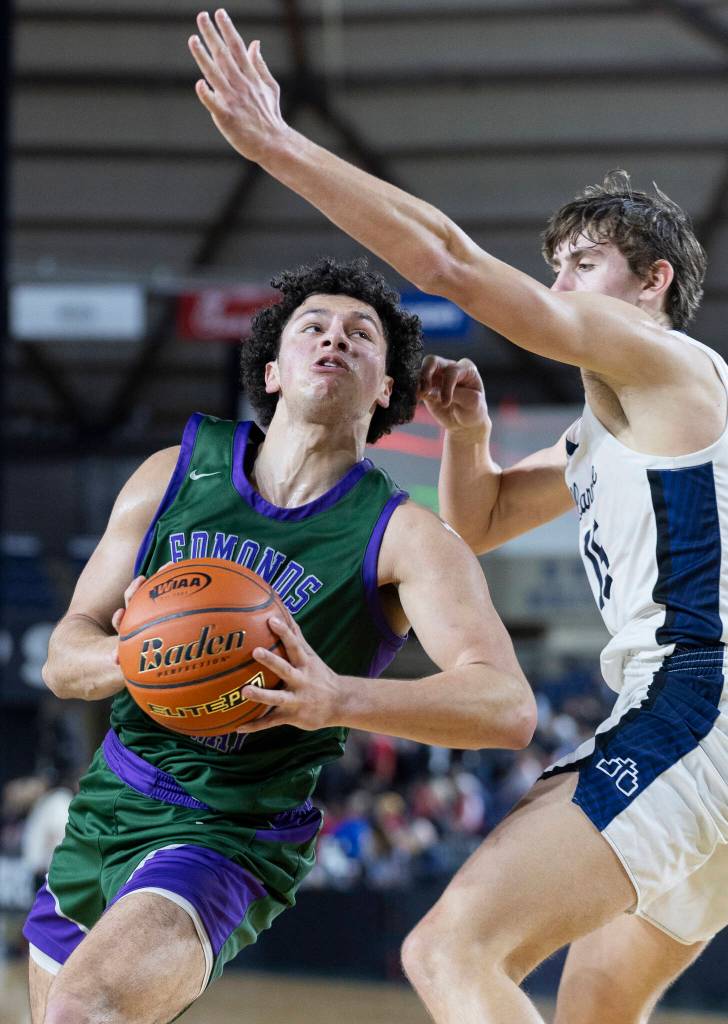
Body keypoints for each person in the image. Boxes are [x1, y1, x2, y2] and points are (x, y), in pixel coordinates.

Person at [188, 10, 728, 1022]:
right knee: (590, 1012)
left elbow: (444, 259)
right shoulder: (606, 428)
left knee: (447, 949)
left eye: (582, 264)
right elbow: (473, 528)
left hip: (695, 705)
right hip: (695, 722)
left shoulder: (663, 361)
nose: (559, 283)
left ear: (650, 284)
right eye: (556, 263)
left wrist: (279, 145)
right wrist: (467, 439)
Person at [26, 256, 534, 1024]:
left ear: (387, 388)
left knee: (81, 1013)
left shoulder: (406, 537)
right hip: (106, 807)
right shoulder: (173, 473)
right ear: (270, 370)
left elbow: (506, 706)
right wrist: (137, 654)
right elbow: (64, 659)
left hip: (229, 831)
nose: (335, 339)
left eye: (361, 335)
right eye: (313, 327)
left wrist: (336, 697)